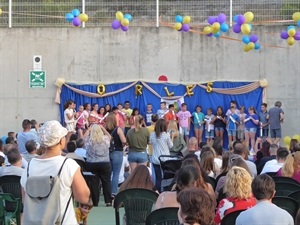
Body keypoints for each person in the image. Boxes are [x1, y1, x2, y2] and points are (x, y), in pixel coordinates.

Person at [21, 120, 90, 224]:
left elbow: (24, 199)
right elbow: (84, 198)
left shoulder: (29, 166)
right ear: (61, 141)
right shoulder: (68, 165)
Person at [84, 124, 113, 206]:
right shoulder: (105, 139)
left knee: (93, 183)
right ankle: (108, 201)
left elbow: (82, 139)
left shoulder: (89, 140)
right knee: (106, 182)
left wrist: (88, 130)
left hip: (91, 163)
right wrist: (103, 128)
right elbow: (110, 136)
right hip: (104, 163)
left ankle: (95, 201)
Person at [105, 113, 127, 197]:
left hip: (107, 153)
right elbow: (124, 140)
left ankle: (107, 191)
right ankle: (113, 192)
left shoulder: (104, 130)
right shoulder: (118, 129)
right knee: (116, 173)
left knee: (108, 173)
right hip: (117, 151)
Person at [150, 119, 174, 191]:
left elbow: (151, 143)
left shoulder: (152, 135)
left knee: (158, 177)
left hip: (155, 158)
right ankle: (165, 191)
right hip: (165, 158)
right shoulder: (166, 135)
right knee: (166, 177)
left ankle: (158, 192)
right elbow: (171, 146)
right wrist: (172, 137)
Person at [147, 114, 159, 184]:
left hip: (151, 151)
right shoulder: (160, 128)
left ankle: (154, 184)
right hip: (159, 151)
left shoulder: (147, 129)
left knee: (153, 169)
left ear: (151, 120)